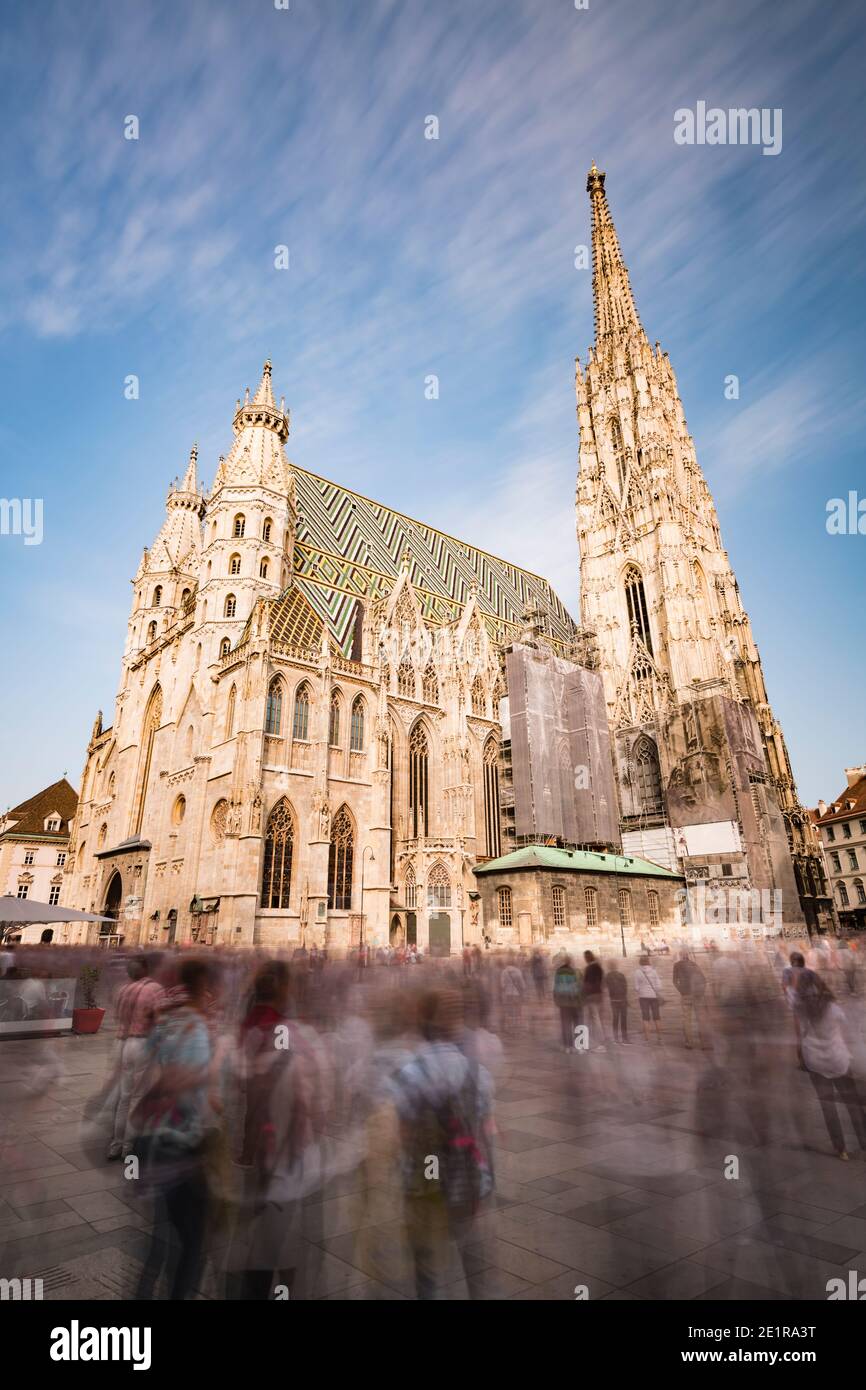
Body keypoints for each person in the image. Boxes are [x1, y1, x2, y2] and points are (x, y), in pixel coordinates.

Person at [388, 989, 494, 1300]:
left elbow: (403, 1137)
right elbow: (485, 1131)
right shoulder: (479, 1073)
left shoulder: (409, 1072)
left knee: (429, 1274)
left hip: (425, 1188)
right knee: (475, 1269)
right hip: (468, 1184)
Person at [133, 957, 220, 1300]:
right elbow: (178, 1082)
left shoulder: (169, 1019)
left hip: (154, 1141)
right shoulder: (196, 1027)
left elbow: (150, 1066)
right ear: (204, 986)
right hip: (183, 1143)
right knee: (193, 1242)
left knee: (161, 1237)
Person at [796, 973, 866, 1160]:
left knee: (828, 1106)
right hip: (838, 1059)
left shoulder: (801, 1010)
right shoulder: (834, 1009)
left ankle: (840, 1149)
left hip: (815, 1060)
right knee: (853, 1104)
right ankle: (864, 1142)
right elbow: (849, 1032)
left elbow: (801, 1034)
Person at [108, 954, 165, 1160]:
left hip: (122, 1043)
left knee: (124, 1097)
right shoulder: (154, 989)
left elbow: (118, 1017)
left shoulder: (122, 990)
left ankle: (116, 1144)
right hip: (142, 1042)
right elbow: (160, 1021)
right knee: (138, 1098)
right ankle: (129, 1147)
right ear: (146, 969)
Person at [672, 950, 708, 1049]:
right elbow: (704, 980)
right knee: (700, 1019)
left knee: (687, 1019)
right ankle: (704, 1043)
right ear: (688, 956)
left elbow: (674, 981)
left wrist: (681, 991)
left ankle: (689, 1043)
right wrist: (701, 992)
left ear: (680, 956)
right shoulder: (694, 964)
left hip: (686, 995)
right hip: (697, 995)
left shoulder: (677, 965)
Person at [553, 954, 582, 1053]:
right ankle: (576, 1046)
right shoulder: (573, 971)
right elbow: (576, 987)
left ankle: (567, 1046)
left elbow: (556, 986)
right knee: (576, 1023)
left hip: (563, 1002)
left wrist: (556, 999)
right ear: (571, 962)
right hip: (572, 1001)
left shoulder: (559, 971)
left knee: (565, 1024)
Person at [634, 954, 663, 1043]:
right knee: (656, 1017)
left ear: (640, 962)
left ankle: (647, 1038)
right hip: (653, 996)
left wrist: (641, 990)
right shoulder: (654, 971)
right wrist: (654, 990)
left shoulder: (637, 972)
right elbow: (659, 986)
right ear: (648, 961)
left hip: (643, 997)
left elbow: (636, 987)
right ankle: (659, 1038)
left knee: (645, 1018)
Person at [582, 951, 606, 1050]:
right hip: (598, 994)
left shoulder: (588, 968)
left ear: (587, 958)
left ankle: (598, 1042)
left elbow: (586, 983)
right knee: (596, 1018)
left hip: (591, 995)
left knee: (593, 1019)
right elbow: (601, 981)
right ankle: (597, 1040)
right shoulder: (599, 967)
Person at [605, 962, 629, 1044]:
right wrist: (626, 999)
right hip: (622, 1000)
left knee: (615, 1020)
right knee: (623, 1020)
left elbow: (605, 987)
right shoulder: (621, 975)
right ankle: (625, 1039)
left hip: (613, 1000)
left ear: (609, 967)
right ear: (616, 967)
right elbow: (625, 987)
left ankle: (615, 1038)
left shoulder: (607, 976)